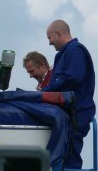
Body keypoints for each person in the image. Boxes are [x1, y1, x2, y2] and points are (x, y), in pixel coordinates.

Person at [41, 19, 96, 169]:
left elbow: (72, 77)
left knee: (70, 157)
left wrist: (45, 92)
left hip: (76, 113)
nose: (49, 43)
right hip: (67, 114)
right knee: (62, 157)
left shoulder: (75, 50)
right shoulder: (64, 54)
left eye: (49, 38)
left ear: (58, 33)